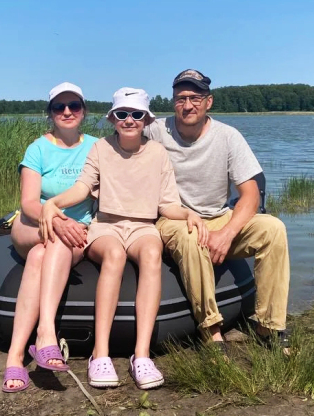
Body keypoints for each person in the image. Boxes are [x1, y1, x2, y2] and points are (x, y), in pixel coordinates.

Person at [41, 87, 208, 390]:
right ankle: (100, 353)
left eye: (136, 114)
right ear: (112, 118)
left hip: (143, 226)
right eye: (122, 114)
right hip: (106, 225)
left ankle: (141, 355)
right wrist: (54, 203)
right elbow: (82, 187)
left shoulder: (157, 153)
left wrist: (188, 214)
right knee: (115, 255)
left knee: (152, 253)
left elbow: (167, 204)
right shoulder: (101, 148)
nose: (129, 120)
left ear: (146, 119)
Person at [145, 69, 291, 352]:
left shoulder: (228, 136)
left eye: (195, 98)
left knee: (273, 229)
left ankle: (269, 327)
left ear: (208, 102)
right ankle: (211, 330)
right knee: (192, 236)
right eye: (181, 98)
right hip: (174, 217)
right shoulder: (155, 131)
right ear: (173, 102)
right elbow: (122, 136)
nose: (188, 105)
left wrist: (227, 233)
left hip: (219, 216)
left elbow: (250, 194)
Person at [2, 82, 99, 393]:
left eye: (74, 106)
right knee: (50, 240)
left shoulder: (97, 147)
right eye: (59, 107)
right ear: (50, 113)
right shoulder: (38, 149)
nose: (67, 112)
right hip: (35, 223)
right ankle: (45, 335)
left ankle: (15, 356)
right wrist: (57, 220)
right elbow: (30, 202)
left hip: (77, 228)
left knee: (39, 255)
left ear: (84, 111)